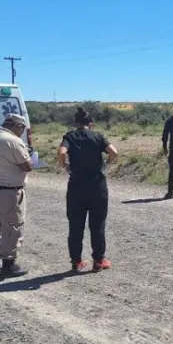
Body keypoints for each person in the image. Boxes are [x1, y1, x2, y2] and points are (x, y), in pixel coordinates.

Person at [57, 107, 118, 273]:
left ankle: (76, 261)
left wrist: (66, 167)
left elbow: (61, 153)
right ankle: (98, 260)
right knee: (97, 225)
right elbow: (114, 152)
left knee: (75, 225)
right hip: (97, 186)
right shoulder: (98, 136)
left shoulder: (70, 136)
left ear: (76, 123)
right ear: (90, 123)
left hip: (76, 186)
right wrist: (106, 165)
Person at [0, 113, 33, 278]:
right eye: (22, 129)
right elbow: (27, 166)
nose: (22, 132)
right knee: (12, 226)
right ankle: (8, 265)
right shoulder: (13, 141)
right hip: (9, 190)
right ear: (18, 126)